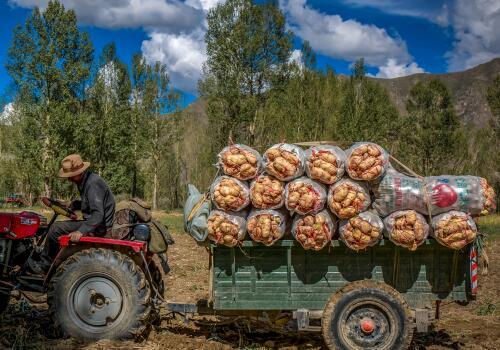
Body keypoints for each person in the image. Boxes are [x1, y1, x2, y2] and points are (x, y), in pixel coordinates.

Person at [27, 154, 115, 274]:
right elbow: (89, 204)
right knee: (56, 227)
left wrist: (81, 231)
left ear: (80, 172)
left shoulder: (93, 184)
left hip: (100, 228)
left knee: (55, 228)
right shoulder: (86, 181)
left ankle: (44, 266)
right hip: (95, 224)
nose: (69, 179)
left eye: (71, 176)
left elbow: (98, 214)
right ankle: (45, 255)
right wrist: (72, 205)